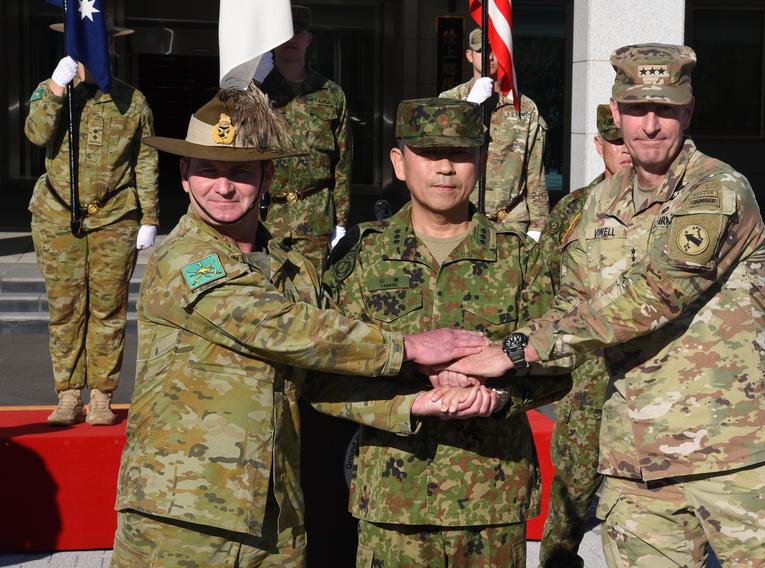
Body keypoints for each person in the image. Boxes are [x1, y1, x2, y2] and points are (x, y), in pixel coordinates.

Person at [440, 44, 765, 567]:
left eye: (665, 110)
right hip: (638, 467)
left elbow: (655, 294)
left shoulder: (718, 190)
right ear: (616, 113)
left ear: (687, 112)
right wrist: (478, 365)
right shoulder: (595, 205)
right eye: (637, 109)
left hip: (739, 460)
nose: (650, 125)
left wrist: (515, 350)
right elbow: (571, 311)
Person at [111, 86, 489, 566]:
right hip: (182, 514)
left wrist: (414, 402)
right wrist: (410, 347)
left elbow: (319, 378)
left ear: (267, 176)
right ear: (184, 176)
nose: (223, 187)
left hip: (277, 513)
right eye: (207, 170)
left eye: (241, 172)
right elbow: (278, 327)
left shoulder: (293, 267)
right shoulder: (184, 260)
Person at [303, 97, 570, 567]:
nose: (445, 168)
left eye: (461, 154)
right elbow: (321, 377)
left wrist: (502, 396)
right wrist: (406, 404)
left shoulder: (521, 258)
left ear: (482, 163)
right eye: (428, 154)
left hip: (492, 499)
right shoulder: (359, 259)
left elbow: (559, 362)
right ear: (399, 163)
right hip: (392, 500)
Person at [25, 19, 158, 426]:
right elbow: (36, 134)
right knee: (65, 309)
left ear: (110, 49)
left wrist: (150, 217)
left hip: (115, 218)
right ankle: (67, 394)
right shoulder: (51, 92)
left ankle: (101, 394)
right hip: (57, 216)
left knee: (108, 310)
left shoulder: (131, 101)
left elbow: (146, 160)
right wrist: (55, 89)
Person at [537, 105, 629, 567]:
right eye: (616, 144)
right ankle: (558, 559)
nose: (626, 152)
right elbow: (546, 286)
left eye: (630, 141)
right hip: (589, 369)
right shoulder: (573, 211)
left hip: (653, 367)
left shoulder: (676, 204)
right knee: (574, 476)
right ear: (600, 147)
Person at [256, 3, 350, 270]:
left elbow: (342, 162)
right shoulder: (254, 93)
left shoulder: (330, 94)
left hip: (315, 216)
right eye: (283, 33)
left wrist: (340, 222)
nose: (290, 40)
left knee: (312, 300)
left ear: (308, 39)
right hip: (264, 218)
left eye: (297, 33)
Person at [440, 28, 548, 240]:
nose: (489, 56)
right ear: (469, 55)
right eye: (481, 50)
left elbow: (535, 171)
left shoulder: (523, 107)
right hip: (460, 219)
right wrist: (470, 106)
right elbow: (443, 149)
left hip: (509, 220)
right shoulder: (450, 100)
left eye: (495, 50)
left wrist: (538, 226)